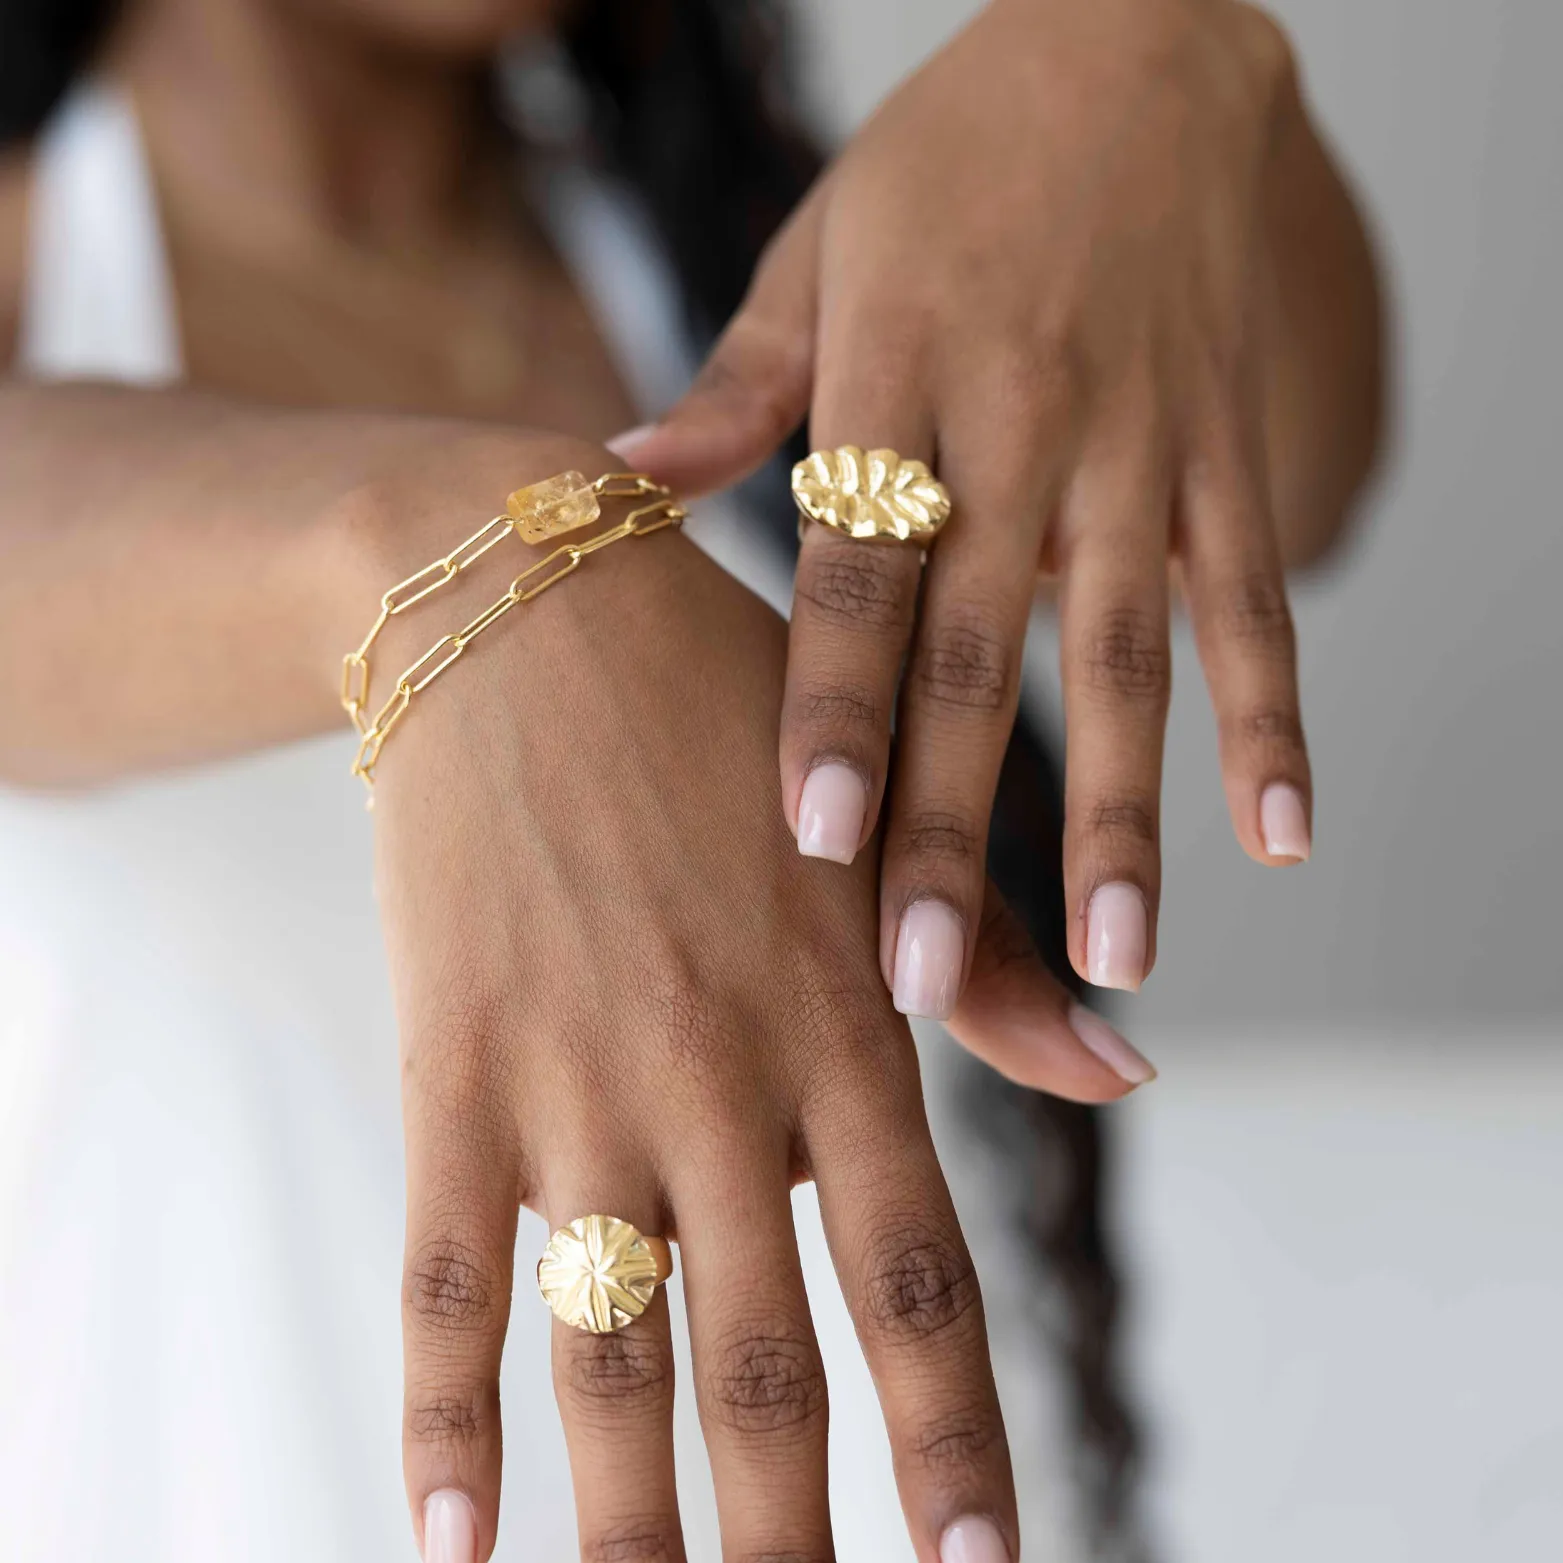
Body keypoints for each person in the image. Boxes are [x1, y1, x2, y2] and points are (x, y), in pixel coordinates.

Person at [0, 1, 1384, 1560]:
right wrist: (478, 562)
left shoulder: (732, 279)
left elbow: (1304, 458)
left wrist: (1168, 51)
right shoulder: (35, 282)